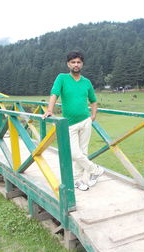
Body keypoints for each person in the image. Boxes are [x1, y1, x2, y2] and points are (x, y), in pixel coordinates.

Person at [42, 51, 104, 191]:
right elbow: (54, 94)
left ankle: (78, 180)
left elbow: (93, 101)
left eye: (78, 62)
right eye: (73, 62)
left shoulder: (86, 82)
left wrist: (93, 116)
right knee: (75, 153)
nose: (76, 65)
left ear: (82, 64)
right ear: (68, 64)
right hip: (69, 123)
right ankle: (96, 170)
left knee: (83, 151)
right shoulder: (62, 78)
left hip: (85, 121)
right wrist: (50, 110)